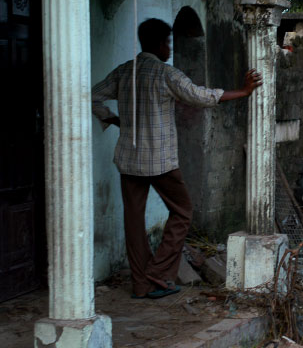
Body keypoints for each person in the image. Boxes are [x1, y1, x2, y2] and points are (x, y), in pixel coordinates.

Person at [92, 18, 262, 299]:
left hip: (129, 160)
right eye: (168, 42)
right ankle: (158, 273)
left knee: (133, 220)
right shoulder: (165, 74)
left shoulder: (124, 72)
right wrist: (243, 92)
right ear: (158, 43)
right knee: (183, 211)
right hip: (159, 161)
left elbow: (93, 96)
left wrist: (112, 119)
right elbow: (200, 95)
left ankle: (141, 284)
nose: (169, 48)